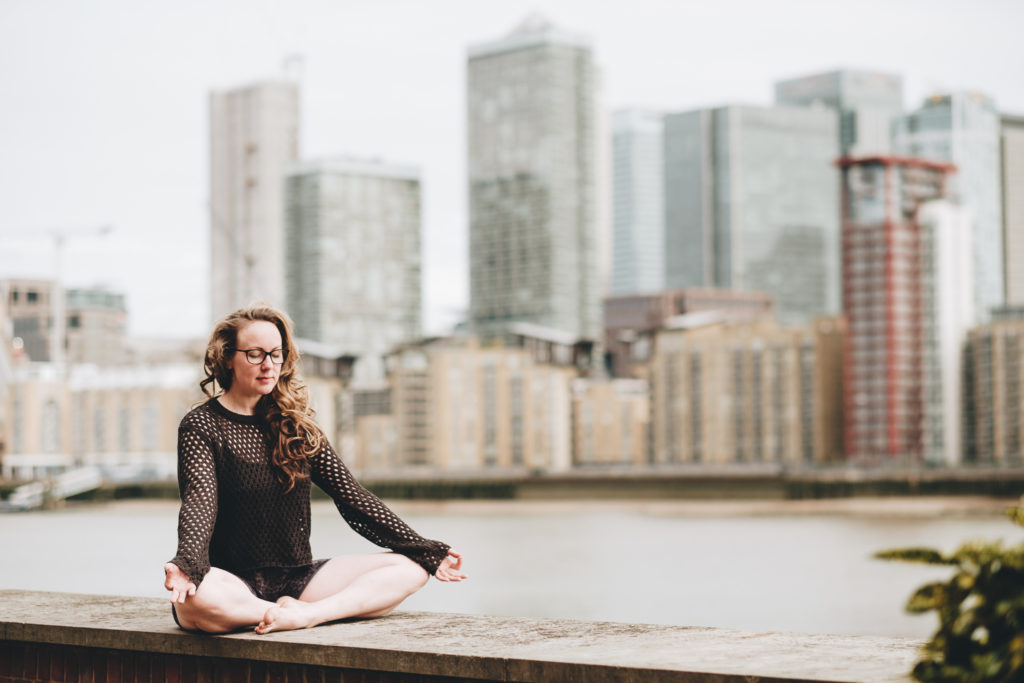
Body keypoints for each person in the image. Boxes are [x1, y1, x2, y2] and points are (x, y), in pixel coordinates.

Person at [162, 303, 465, 634]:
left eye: (276, 354)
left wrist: (424, 548)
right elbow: (199, 501)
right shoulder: (201, 426)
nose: (268, 365)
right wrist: (187, 562)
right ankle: (292, 613)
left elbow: (352, 496)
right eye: (255, 354)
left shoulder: (296, 427)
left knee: (411, 569)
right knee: (196, 597)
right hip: (231, 580)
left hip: (299, 578)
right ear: (227, 358)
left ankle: (307, 615)